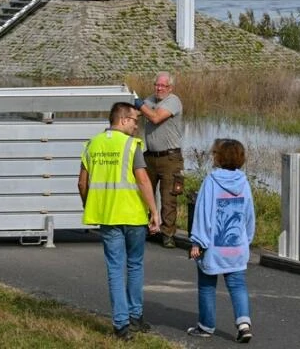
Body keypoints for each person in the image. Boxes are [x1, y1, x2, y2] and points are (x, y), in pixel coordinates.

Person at [78, 102, 161, 342]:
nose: (137, 125)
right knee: (134, 265)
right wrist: (154, 212)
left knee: (115, 269)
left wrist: (89, 204)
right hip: (133, 216)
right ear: (123, 120)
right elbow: (143, 181)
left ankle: (121, 325)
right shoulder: (131, 145)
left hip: (107, 217)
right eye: (135, 120)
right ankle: (136, 316)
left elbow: (82, 183)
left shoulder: (92, 144)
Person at [187, 138, 255, 343]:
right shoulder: (244, 182)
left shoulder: (211, 181)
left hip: (213, 247)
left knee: (207, 285)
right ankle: (244, 325)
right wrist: (247, 239)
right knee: (238, 285)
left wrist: (197, 242)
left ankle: (206, 326)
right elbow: (249, 214)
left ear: (219, 158)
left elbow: (203, 213)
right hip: (237, 245)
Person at [134, 71, 184, 248]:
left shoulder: (173, 101)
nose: (159, 88)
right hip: (150, 155)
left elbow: (155, 118)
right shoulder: (150, 100)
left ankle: (168, 234)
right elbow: (136, 112)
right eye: (157, 85)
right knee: (145, 194)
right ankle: (148, 228)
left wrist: (140, 105)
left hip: (170, 157)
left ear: (170, 88)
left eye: (163, 86)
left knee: (168, 197)